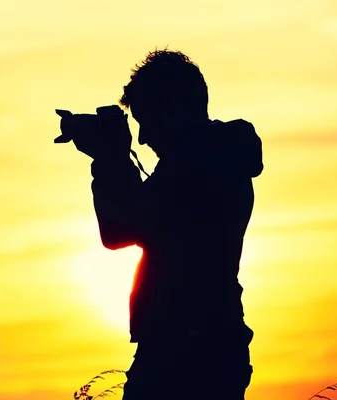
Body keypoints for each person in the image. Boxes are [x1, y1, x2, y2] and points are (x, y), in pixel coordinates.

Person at [71, 49, 263, 399]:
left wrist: (109, 159)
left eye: (147, 120)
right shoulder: (216, 156)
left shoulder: (194, 163)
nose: (143, 138)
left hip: (185, 348)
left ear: (173, 108)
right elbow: (146, 219)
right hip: (205, 340)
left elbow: (119, 230)